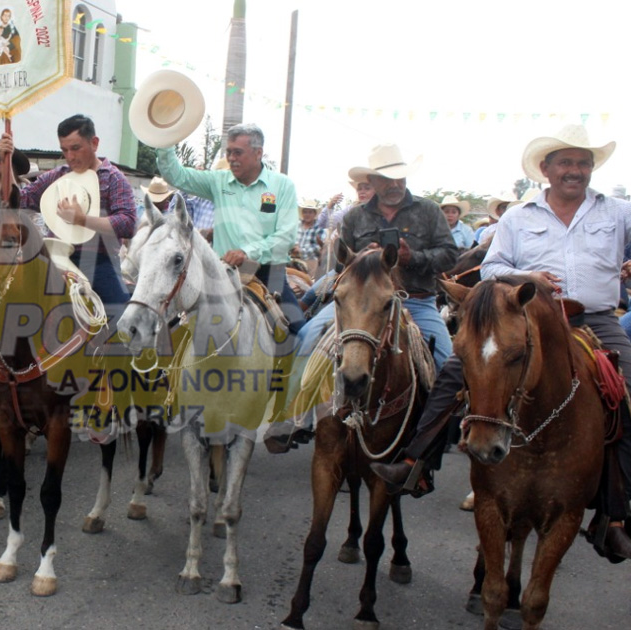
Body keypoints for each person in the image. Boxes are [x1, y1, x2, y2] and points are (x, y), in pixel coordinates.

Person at [371, 125, 631, 560]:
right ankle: (416, 462)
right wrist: (526, 277)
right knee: (456, 372)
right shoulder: (519, 217)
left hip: (594, 319)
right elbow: (490, 269)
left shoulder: (617, 212)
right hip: (523, 316)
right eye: (565, 162)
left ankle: (616, 514)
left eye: (582, 162)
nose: (575, 170)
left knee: (627, 396)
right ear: (545, 169)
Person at [270, 144, 457, 453]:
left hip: (416, 300)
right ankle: (294, 416)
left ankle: (433, 438)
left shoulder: (428, 211)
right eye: (388, 179)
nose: (396, 185)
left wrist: (412, 257)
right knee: (306, 333)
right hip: (359, 303)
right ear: (374, 181)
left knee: (447, 363)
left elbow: (450, 255)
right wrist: (362, 260)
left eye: (401, 178)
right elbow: (343, 267)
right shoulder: (355, 217)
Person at [156, 122, 303, 333]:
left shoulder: (283, 185)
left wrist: (248, 253)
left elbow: (287, 236)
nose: (231, 158)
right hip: (221, 273)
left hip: (269, 273)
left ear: (258, 153)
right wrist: (164, 139)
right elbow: (176, 175)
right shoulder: (218, 181)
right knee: (170, 328)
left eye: (237, 153)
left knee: (299, 331)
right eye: (228, 152)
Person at [0, 114, 136, 305]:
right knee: (7, 298)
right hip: (54, 257)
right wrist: (7, 162)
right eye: (65, 150)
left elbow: (128, 223)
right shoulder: (57, 175)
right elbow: (20, 200)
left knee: (120, 319)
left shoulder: (114, 178)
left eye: (76, 148)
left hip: (99, 263)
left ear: (94, 143)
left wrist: (82, 219)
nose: (70, 156)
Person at [139, 176, 216, 232]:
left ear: (166, 199)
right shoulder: (139, 211)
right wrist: (190, 181)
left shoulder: (167, 217)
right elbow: (176, 208)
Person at [295, 199, 326, 274]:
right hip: (293, 258)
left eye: (310, 212)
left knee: (309, 283)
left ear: (315, 214)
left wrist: (301, 250)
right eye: (305, 212)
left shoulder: (319, 229)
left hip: (310, 261)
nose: (307, 214)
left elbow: (318, 248)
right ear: (302, 213)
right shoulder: (296, 226)